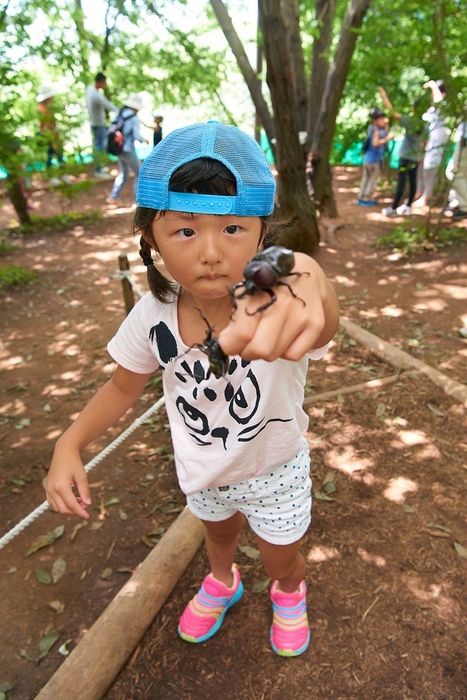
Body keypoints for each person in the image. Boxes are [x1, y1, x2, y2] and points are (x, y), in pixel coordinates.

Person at [45, 121, 340, 657]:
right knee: (219, 538)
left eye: (231, 229)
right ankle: (223, 583)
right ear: (149, 239)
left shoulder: (277, 301)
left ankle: (290, 589)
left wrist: (313, 276)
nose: (209, 252)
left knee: (281, 554)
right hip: (203, 470)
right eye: (185, 230)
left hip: (276, 469)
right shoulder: (151, 317)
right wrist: (68, 444)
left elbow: (320, 324)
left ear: (261, 233)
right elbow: (120, 385)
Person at [378, 86, 429, 217]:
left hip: (405, 157)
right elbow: (425, 142)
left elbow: (392, 111)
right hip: (416, 158)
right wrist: (422, 155)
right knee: (413, 184)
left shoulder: (410, 121)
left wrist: (383, 95)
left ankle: (394, 208)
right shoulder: (425, 125)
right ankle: (407, 206)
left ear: (414, 108)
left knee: (401, 183)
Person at [106, 93, 149, 205]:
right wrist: (144, 140)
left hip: (119, 149)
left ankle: (114, 196)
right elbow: (136, 135)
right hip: (128, 149)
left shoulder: (120, 114)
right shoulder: (133, 118)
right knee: (140, 173)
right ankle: (138, 201)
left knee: (124, 173)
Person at [413, 80, 450, 207]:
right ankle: (420, 192)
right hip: (427, 145)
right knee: (422, 168)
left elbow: (439, 100)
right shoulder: (431, 110)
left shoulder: (442, 107)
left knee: (430, 168)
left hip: (435, 145)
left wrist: (433, 85)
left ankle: (427, 197)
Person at [357, 107, 394, 206]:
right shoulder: (376, 131)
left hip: (367, 159)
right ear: (374, 120)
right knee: (372, 180)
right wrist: (387, 139)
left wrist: (386, 124)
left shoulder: (372, 128)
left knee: (366, 179)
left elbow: (385, 131)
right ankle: (367, 198)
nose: (383, 121)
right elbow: (376, 143)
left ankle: (361, 196)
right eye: (380, 119)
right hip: (374, 160)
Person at [86, 72, 118, 178]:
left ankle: (100, 167)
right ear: (100, 81)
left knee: (99, 146)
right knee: (100, 147)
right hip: (98, 124)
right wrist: (119, 112)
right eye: (104, 82)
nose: (105, 85)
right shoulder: (95, 94)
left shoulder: (90, 90)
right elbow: (107, 104)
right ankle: (99, 170)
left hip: (95, 123)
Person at [36, 84, 64, 181]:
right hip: (48, 136)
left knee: (55, 155)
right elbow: (46, 127)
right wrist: (52, 140)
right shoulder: (43, 109)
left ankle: (61, 175)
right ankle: (51, 177)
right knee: (50, 156)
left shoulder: (47, 108)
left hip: (52, 135)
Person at [445, 118, 467, 221]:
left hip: (464, 143)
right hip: (463, 142)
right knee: (462, 174)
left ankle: (464, 205)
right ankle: (457, 201)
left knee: (453, 172)